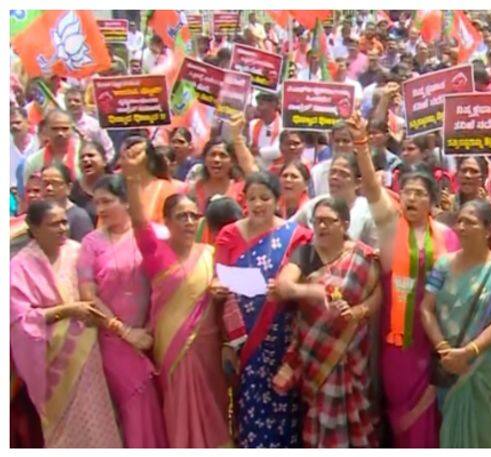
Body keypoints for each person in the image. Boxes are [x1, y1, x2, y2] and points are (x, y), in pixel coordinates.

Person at [350, 113, 459, 447]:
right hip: (397, 340)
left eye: (419, 193)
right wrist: (361, 145)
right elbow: (370, 188)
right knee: (398, 412)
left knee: (431, 419)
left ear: (431, 200)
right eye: (407, 192)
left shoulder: (448, 236)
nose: (411, 198)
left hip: (434, 337)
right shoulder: (389, 226)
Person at [121, 140, 231, 448]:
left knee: (214, 407)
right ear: (167, 222)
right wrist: (131, 178)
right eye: (180, 216)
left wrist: (223, 292)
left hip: (208, 345)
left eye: (193, 216)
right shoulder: (156, 253)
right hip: (173, 348)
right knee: (179, 409)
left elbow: (240, 287)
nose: (187, 221)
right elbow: (140, 221)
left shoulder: (210, 253)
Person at [420, 199, 491, 447]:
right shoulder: (443, 264)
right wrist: (445, 351)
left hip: (486, 363)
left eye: (469, 222)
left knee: (489, 431)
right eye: (459, 220)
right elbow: (426, 308)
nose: (460, 227)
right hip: (449, 362)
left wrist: (469, 352)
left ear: (489, 230)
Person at [10, 200, 122, 447]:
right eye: (53, 224)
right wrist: (68, 310)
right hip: (51, 363)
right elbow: (20, 319)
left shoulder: (77, 252)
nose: (62, 228)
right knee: (63, 433)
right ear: (34, 228)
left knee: (98, 420)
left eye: (64, 221)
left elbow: (99, 291)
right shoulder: (19, 267)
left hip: (88, 355)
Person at [274, 197, 383, 447]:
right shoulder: (306, 253)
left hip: (350, 349)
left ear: (344, 224)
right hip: (315, 351)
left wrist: (357, 311)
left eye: (328, 221)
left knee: (355, 414)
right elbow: (284, 286)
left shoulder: (362, 255)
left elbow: (379, 292)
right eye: (317, 221)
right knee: (319, 415)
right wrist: (316, 291)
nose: (321, 227)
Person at [214, 172, 312, 448]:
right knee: (249, 411)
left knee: (284, 408)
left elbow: (310, 274)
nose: (258, 205)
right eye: (252, 198)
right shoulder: (229, 234)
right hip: (240, 340)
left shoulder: (297, 237)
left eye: (265, 198)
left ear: (277, 200)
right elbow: (217, 276)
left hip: (281, 338)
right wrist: (217, 287)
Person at [76, 175, 168, 447]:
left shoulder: (154, 235)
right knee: (138, 404)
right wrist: (126, 332)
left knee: (163, 404)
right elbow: (88, 295)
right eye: (96, 203)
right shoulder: (91, 243)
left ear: (127, 202)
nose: (100, 209)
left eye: (107, 201)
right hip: (114, 339)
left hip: (157, 334)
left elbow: (168, 283)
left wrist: (150, 331)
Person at [293, 153, 379, 247]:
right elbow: (290, 230)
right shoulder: (313, 205)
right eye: (332, 172)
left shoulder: (368, 212)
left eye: (343, 174)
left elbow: (376, 251)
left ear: (358, 182)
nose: (335, 177)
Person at [117, 135, 182, 225]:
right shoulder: (114, 189)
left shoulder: (165, 189)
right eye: (125, 155)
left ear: (150, 159)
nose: (129, 159)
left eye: (135, 154)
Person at [41, 163, 93, 242]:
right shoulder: (37, 215)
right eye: (45, 183)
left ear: (69, 188)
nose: (49, 188)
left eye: (55, 183)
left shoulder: (78, 217)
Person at [436, 156, 489, 227]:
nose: (467, 176)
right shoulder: (447, 203)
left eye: (474, 171)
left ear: (484, 177)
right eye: (464, 171)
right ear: (457, 174)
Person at [69, 140, 109, 225]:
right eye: (82, 157)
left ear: (104, 161)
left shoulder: (116, 185)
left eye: (91, 155)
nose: (86, 159)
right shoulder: (73, 189)